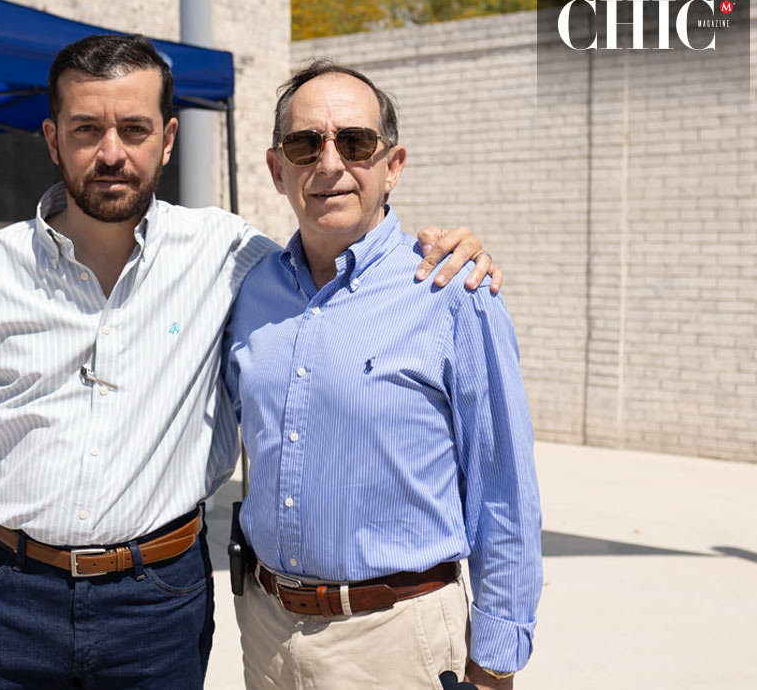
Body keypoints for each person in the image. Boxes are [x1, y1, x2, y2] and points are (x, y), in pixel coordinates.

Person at [0, 34, 501, 690]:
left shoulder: (228, 255)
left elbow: (337, 253)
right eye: (87, 129)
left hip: (159, 606)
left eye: (134, 129)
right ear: (53, 139)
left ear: (167, 140)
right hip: (7, 598)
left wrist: (446, 248)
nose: (112, 152)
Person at [224, 61, 542, 690]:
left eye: (355, 142)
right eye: (305, 144)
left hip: (397, 642)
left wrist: (496, 659)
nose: (330, 163)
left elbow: (503, 486)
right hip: (266, 633)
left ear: (392, 165)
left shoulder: (452, 291)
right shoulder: (248, 290)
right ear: (277, 169)